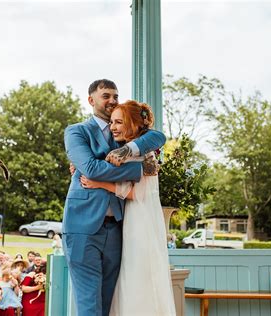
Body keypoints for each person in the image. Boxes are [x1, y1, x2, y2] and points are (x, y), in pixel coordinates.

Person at [63, 79, 166, 316]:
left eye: (115, 96)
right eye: (106, 95)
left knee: (110, 301)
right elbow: (90, 168)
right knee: (89, 302)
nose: (112, 100)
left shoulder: (124, 134)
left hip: (118, 229)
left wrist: (129, 150)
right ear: (91, 100)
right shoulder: (77, 131)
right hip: (82, 228)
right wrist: (138, 170)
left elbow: (158, 136)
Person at [80, 100, 175, 315]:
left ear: (133, 123)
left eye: (119, 122)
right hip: (134, 219)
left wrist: (99, 183)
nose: (113, 127)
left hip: (140, 221)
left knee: (136, 277)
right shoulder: (130, 148)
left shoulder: (141, 151)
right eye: (112, 122)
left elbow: (137, 193)